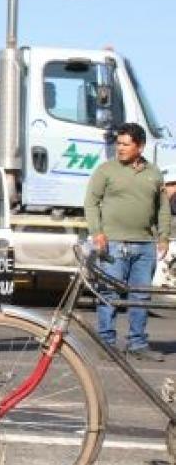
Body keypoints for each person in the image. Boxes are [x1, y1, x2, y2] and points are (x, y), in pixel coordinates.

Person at [84, 123, 171, 362]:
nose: (119, 148)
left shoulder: (154, 173)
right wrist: (97, 232)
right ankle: (106, 344)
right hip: (112, 245)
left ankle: (137, 344)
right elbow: (91, 203)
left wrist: (163, 237)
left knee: (140, 297)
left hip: (144, 246)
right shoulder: (105, 170)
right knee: (109, 295)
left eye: (125, 144)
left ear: (140, 146)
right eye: (118, 143)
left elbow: (162, 208)